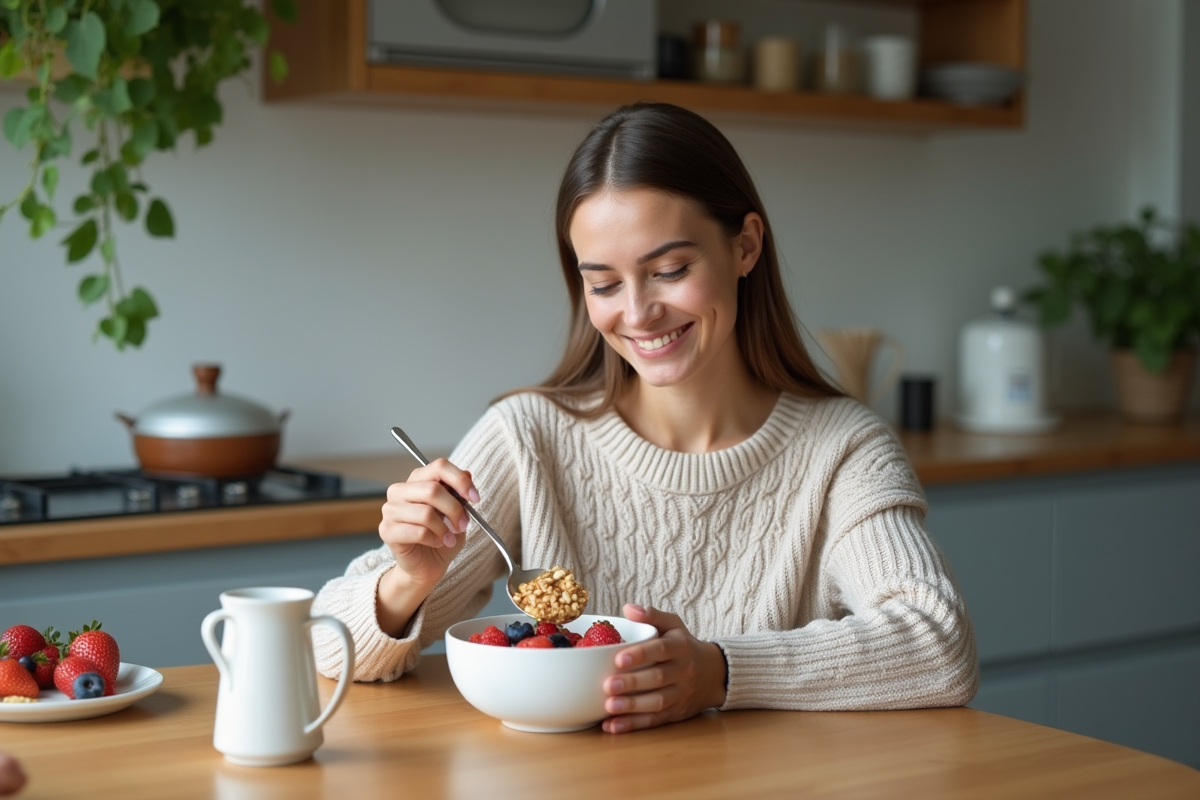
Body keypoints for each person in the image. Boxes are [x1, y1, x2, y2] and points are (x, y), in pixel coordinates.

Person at [312, 102, 977, 734]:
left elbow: (939, 644)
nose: (636, 313)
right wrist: (410, 580)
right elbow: (324, 648)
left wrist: (716, 672)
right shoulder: (528, 436)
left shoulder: (843, 450)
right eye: (603, 284)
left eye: (669, 269)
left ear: (745, 247)